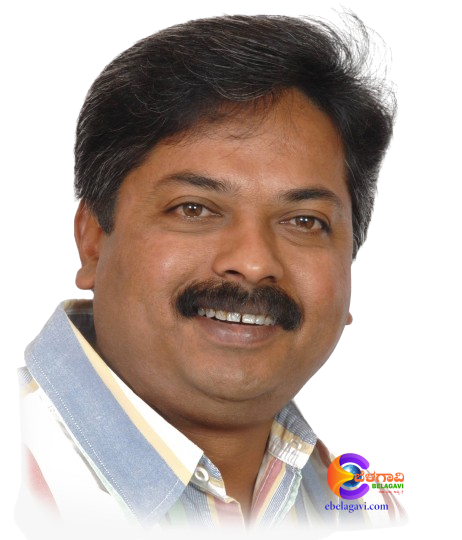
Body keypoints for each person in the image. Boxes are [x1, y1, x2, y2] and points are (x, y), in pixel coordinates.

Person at [14, 8, 408, 539]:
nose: (254, 262)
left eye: (304, 221)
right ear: (93, 239)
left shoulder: (369, 508)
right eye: (194, 209)